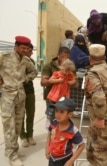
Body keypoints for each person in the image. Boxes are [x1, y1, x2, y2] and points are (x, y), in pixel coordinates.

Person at [0, 36, 37, 166]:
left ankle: (12, 150)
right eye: (23, 48)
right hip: (7, 97)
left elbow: (33, 72)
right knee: (9, 127)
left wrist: (24, 79)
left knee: (17, 126)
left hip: (20, 96)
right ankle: (12, 156)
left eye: (27, 48)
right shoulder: (4, 56)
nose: (25, 50)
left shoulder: (26, 60)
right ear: (16, 46)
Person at [45, 97, 85, 166]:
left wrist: (71, 160)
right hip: (52, 159)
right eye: (56, 111)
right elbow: (49, 134)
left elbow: (82, 145)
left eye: (62, 112)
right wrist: (47, 148)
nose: (58, 114)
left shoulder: (73, 130)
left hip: (65, 160)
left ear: (69, 114)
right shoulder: (53, 123)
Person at [41, 46, 71, 122]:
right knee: (52, 117)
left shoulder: (69, 66)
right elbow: (43, 82)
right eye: (62, 57)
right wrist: (57, 80)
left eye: (67, 58)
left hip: (64, 97)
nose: (65, 59)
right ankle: (51, 132)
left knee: (63, 118)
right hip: (52, 96)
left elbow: (74, 81)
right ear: (58, 55)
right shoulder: (49, 66)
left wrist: (71, 81)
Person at [20, 43, 37, 148]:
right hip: (18, 91)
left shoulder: (31, 61)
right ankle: (22, 136)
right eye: (28, 50)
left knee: (30, 114)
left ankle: (30, 135)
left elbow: (33, 74)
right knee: (20, 115)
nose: (30, 52)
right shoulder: (17, 61)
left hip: (29, 91)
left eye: (30, 50)